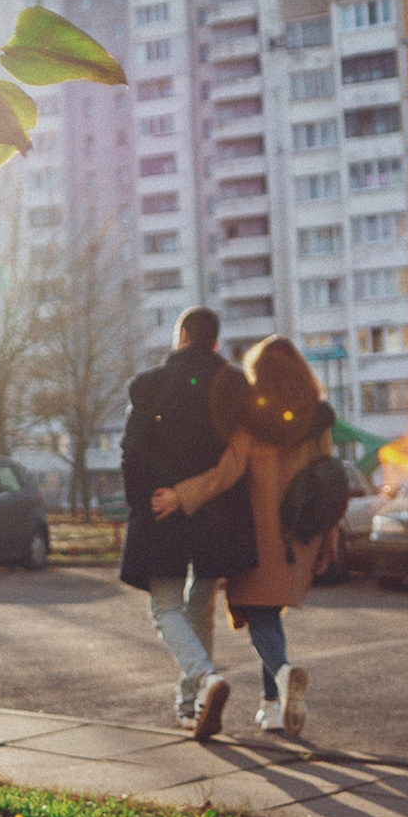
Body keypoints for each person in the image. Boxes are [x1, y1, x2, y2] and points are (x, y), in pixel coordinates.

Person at [152, 336, 337, 734]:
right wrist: (329, 541)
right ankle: (271, 707)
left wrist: (180, 495)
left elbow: (225, 474)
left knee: (261, 618)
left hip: (259, 538)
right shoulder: (317, 420)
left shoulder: (250, 421)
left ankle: (283, 674)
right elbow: (330, 486)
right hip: (302, 536)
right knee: (270, 614)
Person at [118, 307, 257, 738]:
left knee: (166, 609)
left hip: (163, 508)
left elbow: (132, 449)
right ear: (214, 342)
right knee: (200, 607)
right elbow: (239, 457)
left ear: (181, 337)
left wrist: (149, 500)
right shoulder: (234, 388)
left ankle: (206, 680)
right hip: (217, 513)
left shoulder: (152, 385)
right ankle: (192, 705)